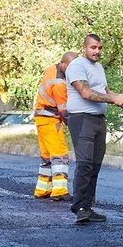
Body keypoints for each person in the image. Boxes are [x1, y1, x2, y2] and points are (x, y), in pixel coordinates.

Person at [65, 34, 123, 224]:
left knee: (94, 164)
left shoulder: (99, 67)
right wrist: (114, 99)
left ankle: (88, 206)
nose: (97, 51)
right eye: (93, 47)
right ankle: (79, 208)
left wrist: (122, 97)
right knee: (85, 163)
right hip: (82, 119)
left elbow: (106, 92)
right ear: (84, 48)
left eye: (100, 48)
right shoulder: (77, 65)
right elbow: (85, 92)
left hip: (98, 120)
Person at [33, 51, 78, 201]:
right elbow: (64, 112)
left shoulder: (51, 68)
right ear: (63, 64)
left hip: (41, 118)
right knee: (60, 155)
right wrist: (76, 128)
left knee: (47, 156)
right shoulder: (60, 84)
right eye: (70, 67)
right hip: (51, 120)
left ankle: (42, 189)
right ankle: (59, 191)